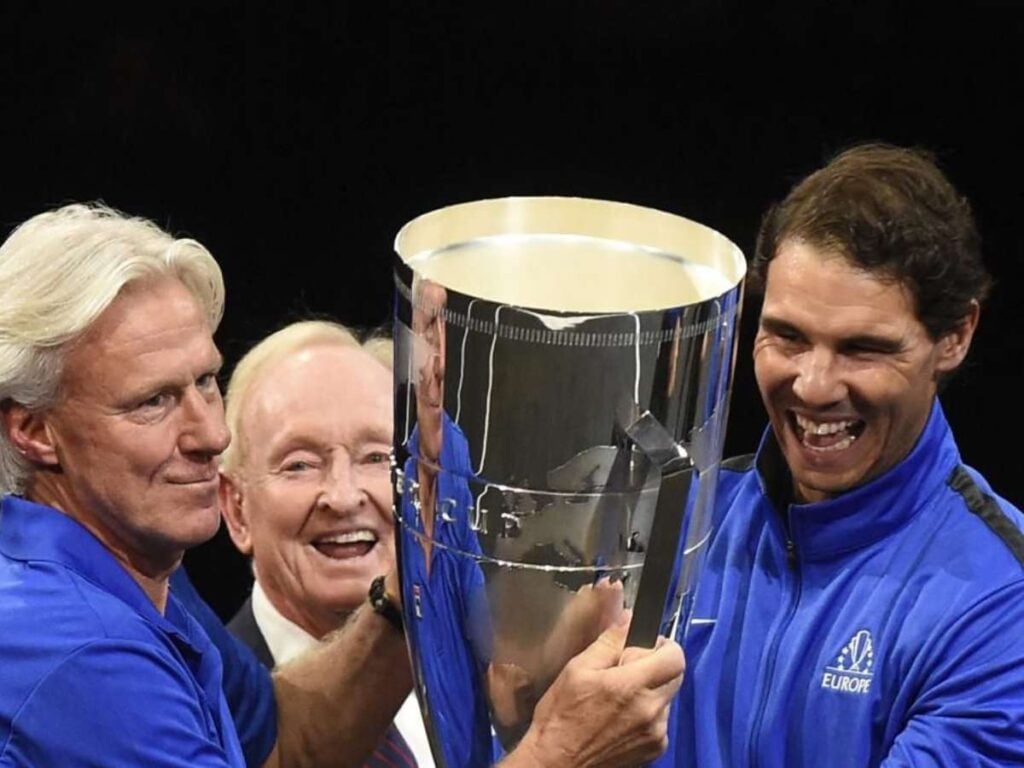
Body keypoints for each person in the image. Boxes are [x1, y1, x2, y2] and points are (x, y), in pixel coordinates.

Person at [0, 202, 684, 768]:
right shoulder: (78, 652)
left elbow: (287, 745)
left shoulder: (133, 578)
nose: (209, 434)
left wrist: (412, 566)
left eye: (205, 382)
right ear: (32, 429)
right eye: (153, 402)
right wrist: (563, 753)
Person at [654, 143, 1024, 767]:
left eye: (863, 348)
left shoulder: (1003, 605)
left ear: (955, 337)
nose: (814, 386)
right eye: (788, 336)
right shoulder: (680, 517)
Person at [217, 319, 428, 766]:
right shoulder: (208, 709)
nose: (343, 496)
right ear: (236, 509)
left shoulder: (480, 674)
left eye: (376, 457)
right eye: (299, 465)